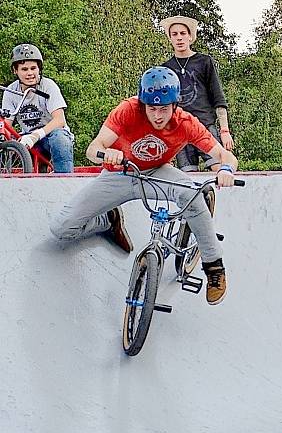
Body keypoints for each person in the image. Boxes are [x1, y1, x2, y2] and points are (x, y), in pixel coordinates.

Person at [50, 66, 239, 305]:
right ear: (143, 104)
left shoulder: (186, 122)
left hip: (157, 174)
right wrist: (106, 153)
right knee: (61, 228)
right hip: (119, 174)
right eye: (152, 108)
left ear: (175, 105)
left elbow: (226, 155)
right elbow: (92, 149)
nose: (158, 116)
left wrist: (225, 169)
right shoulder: (128, 110)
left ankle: (214, 267)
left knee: (192, 196)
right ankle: (107, 221)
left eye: (164, 109)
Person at [160, 15, 235, 173]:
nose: (179, 38)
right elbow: (161, 106)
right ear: (170, 38)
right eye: (175, 34)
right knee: (188, 178)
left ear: (190, 36)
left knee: (221, 169)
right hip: (179, 130)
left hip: (205, 127)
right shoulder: (165, 69)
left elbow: (218, 97)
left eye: (183, 33)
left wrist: (225, 131)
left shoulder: (204, 61)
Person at [1, 44, 74, 173]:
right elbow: (7, 124)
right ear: (15, 71)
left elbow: (59, 120)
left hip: (51, 135)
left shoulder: (48, 86)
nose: (30, 73)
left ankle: (65, 182)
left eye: (33, 68)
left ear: (39, 69)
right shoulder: (11, 91)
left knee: (60, 139)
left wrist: (35, 135)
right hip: (27, 138)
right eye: (24, 69)